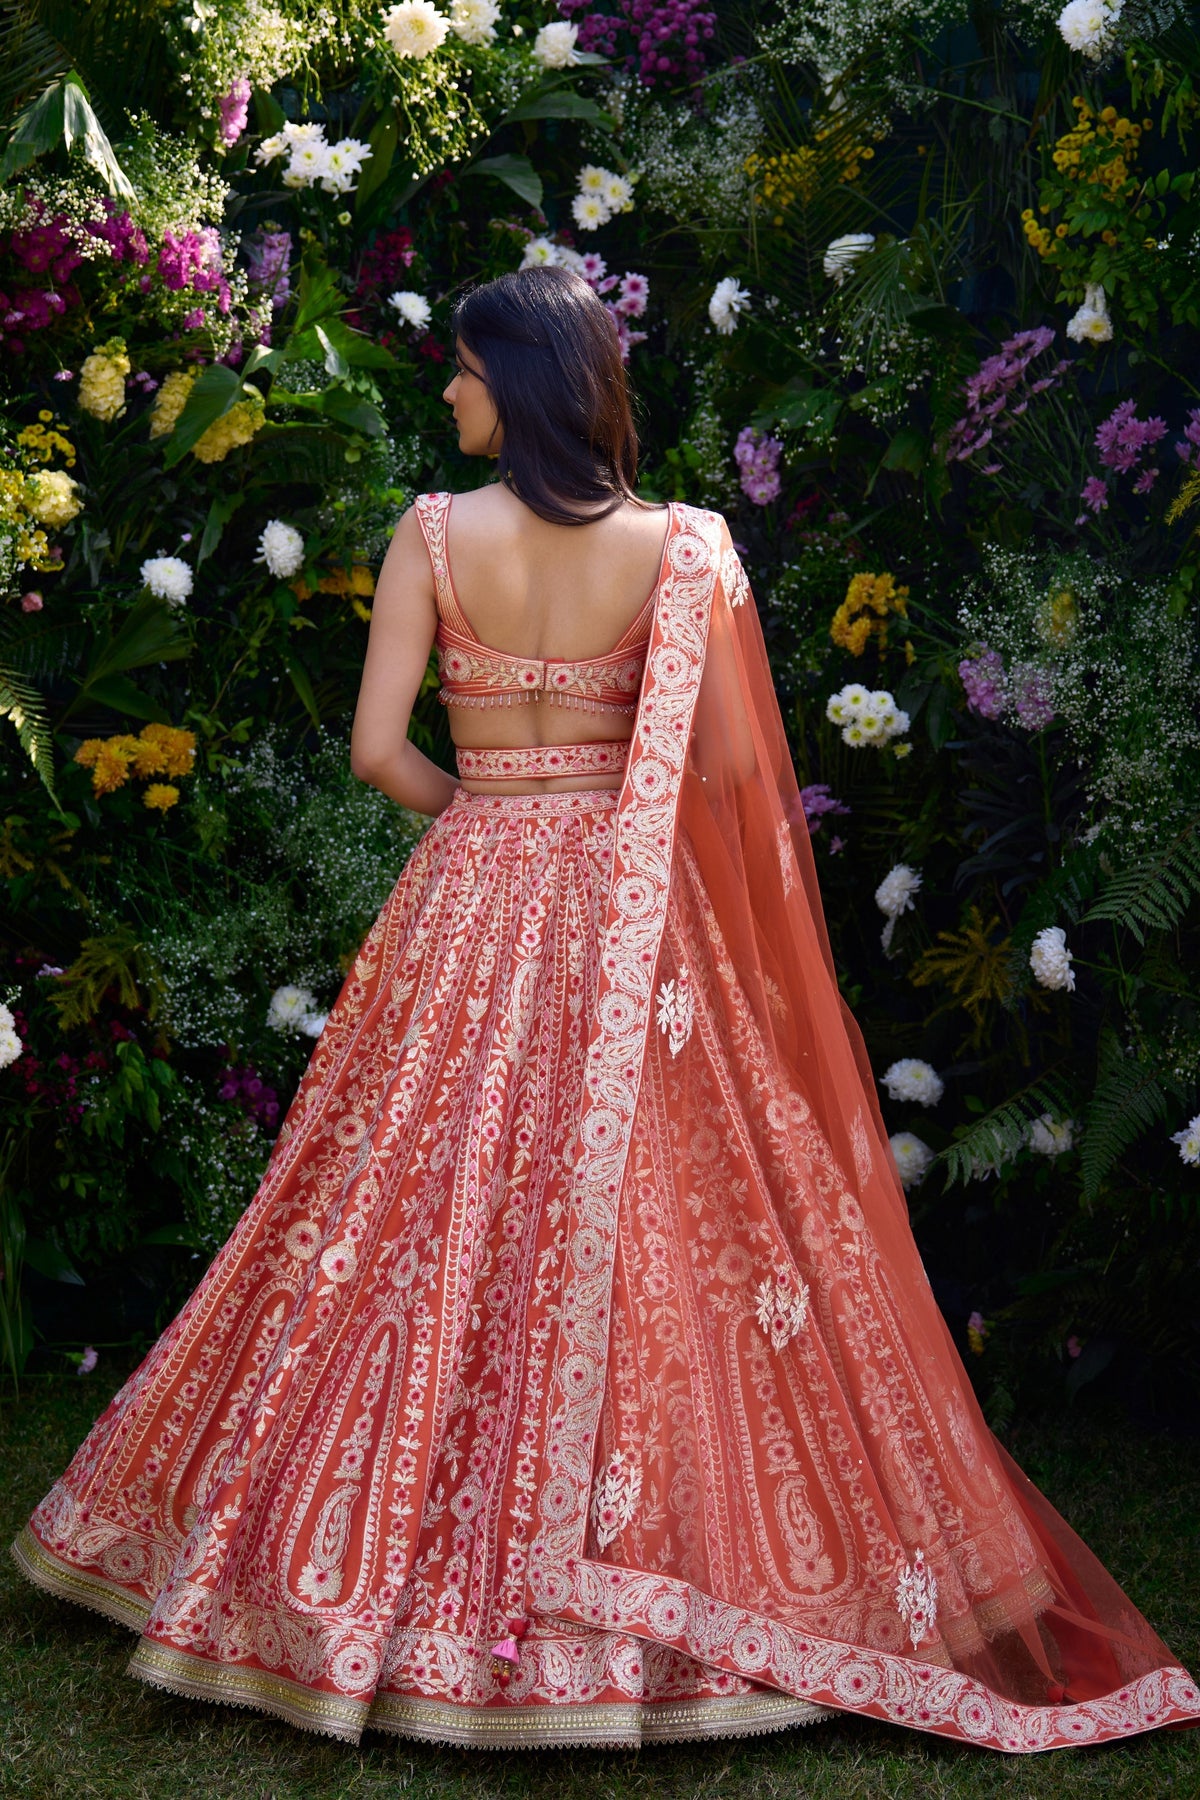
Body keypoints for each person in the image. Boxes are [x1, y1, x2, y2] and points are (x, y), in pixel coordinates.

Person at [13, 268, 1199, 1754]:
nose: (444, 392)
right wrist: (624, 856)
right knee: (663, 1227)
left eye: (458, 370)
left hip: (467, 902)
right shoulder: (687, 550)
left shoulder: (430, 537)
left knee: (399, 1219)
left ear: (515, 382)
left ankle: (337, 1567)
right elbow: (732, 789)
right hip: (642, 938)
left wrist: (494, 830)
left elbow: (383, 751)